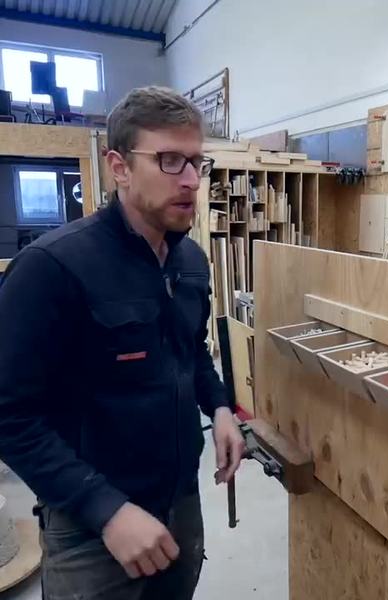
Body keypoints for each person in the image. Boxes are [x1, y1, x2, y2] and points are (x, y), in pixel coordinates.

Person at [0, 86, 245, 600]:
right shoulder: (52, 269)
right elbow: (10, 416)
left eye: (198, 161)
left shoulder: (191, 263)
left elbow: (191, 351)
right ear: (119, 166)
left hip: (180, 507)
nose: (192, 179)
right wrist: (106, 511)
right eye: (170, 160)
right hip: (92, 531)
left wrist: (221, 406)